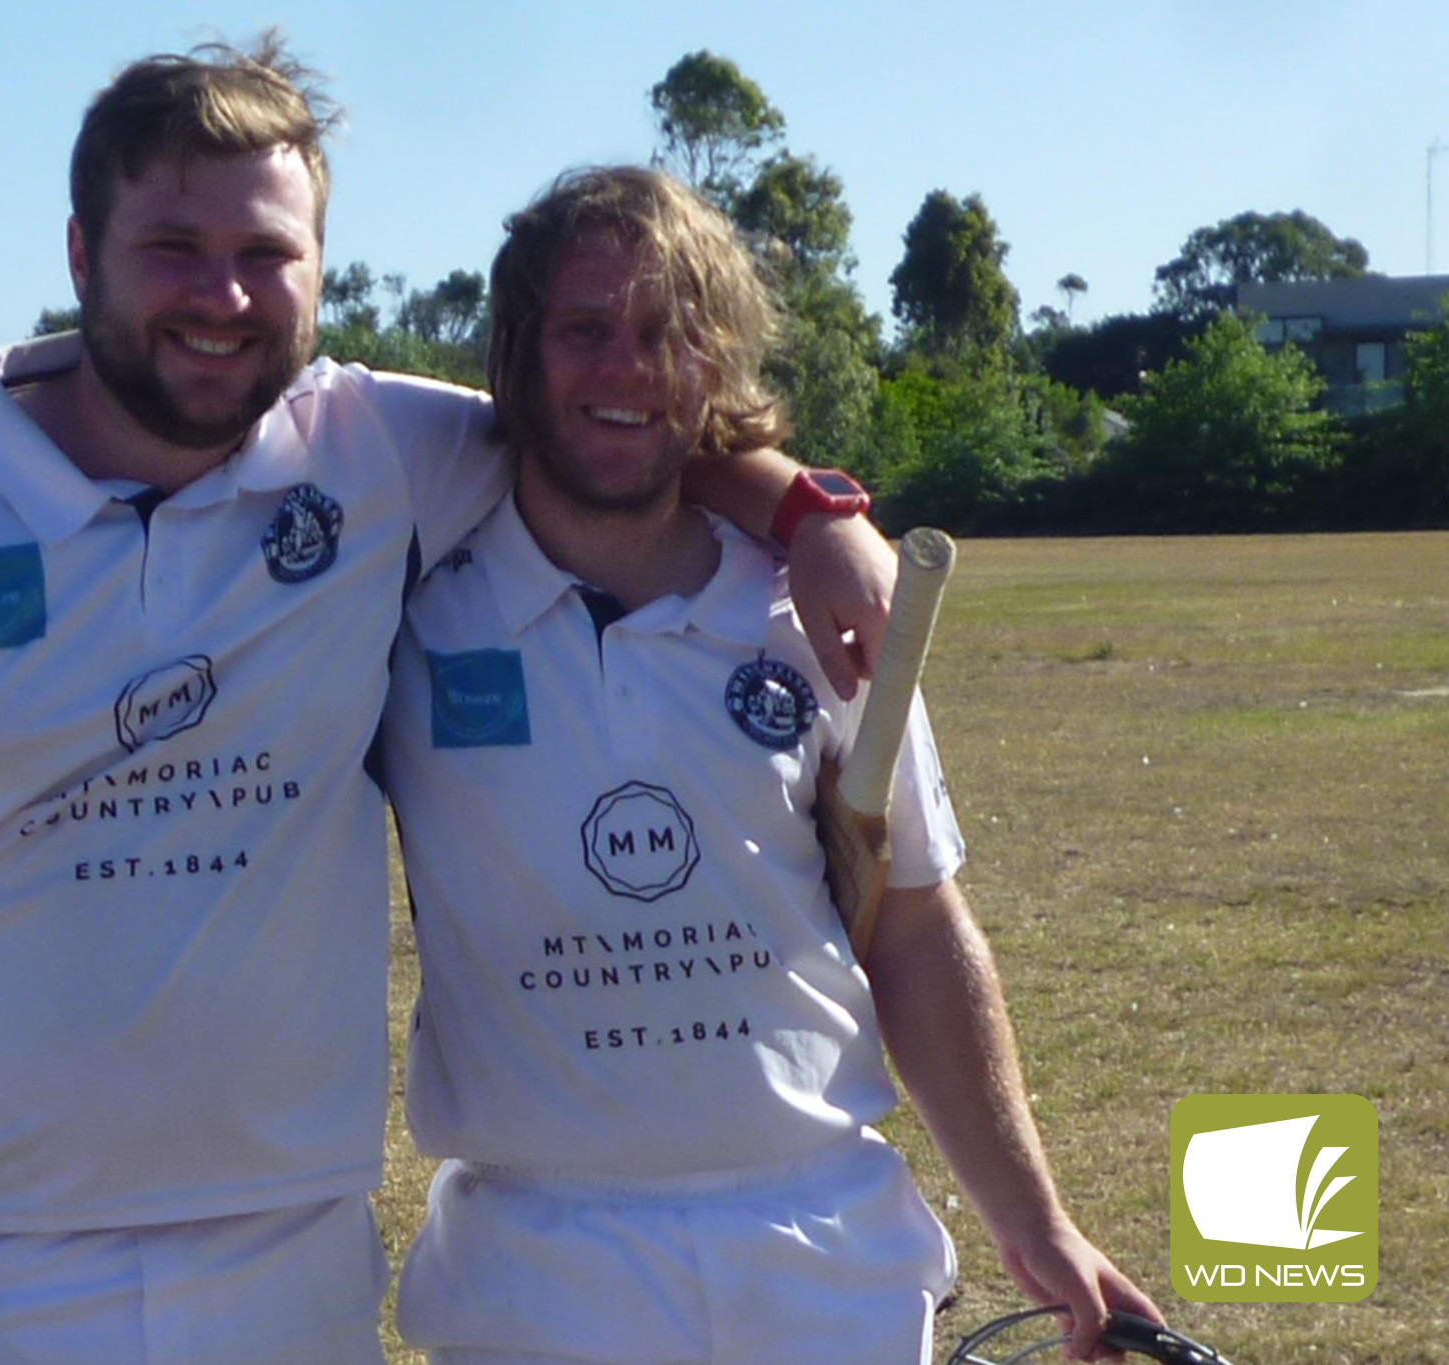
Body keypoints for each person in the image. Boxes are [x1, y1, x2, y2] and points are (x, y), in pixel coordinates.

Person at [0, 36, 896, 1365]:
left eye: (268, 253)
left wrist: (810, 510)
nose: (222, 293)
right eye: (172, 246)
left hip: (286, 1258)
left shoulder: (377, 450)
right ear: (79, 251)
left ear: (320, 272)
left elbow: (614, 421)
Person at [372, 167, 1163, 1364]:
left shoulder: (823, 615)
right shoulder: (406, 601)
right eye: (584, 330)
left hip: (819, 1249)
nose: (627, 369)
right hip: (533, 1264)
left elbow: (913, 927)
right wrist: (808, 501)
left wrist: (1032, 1221)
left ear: (717, 362)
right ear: (518, 352)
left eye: (667, 334)